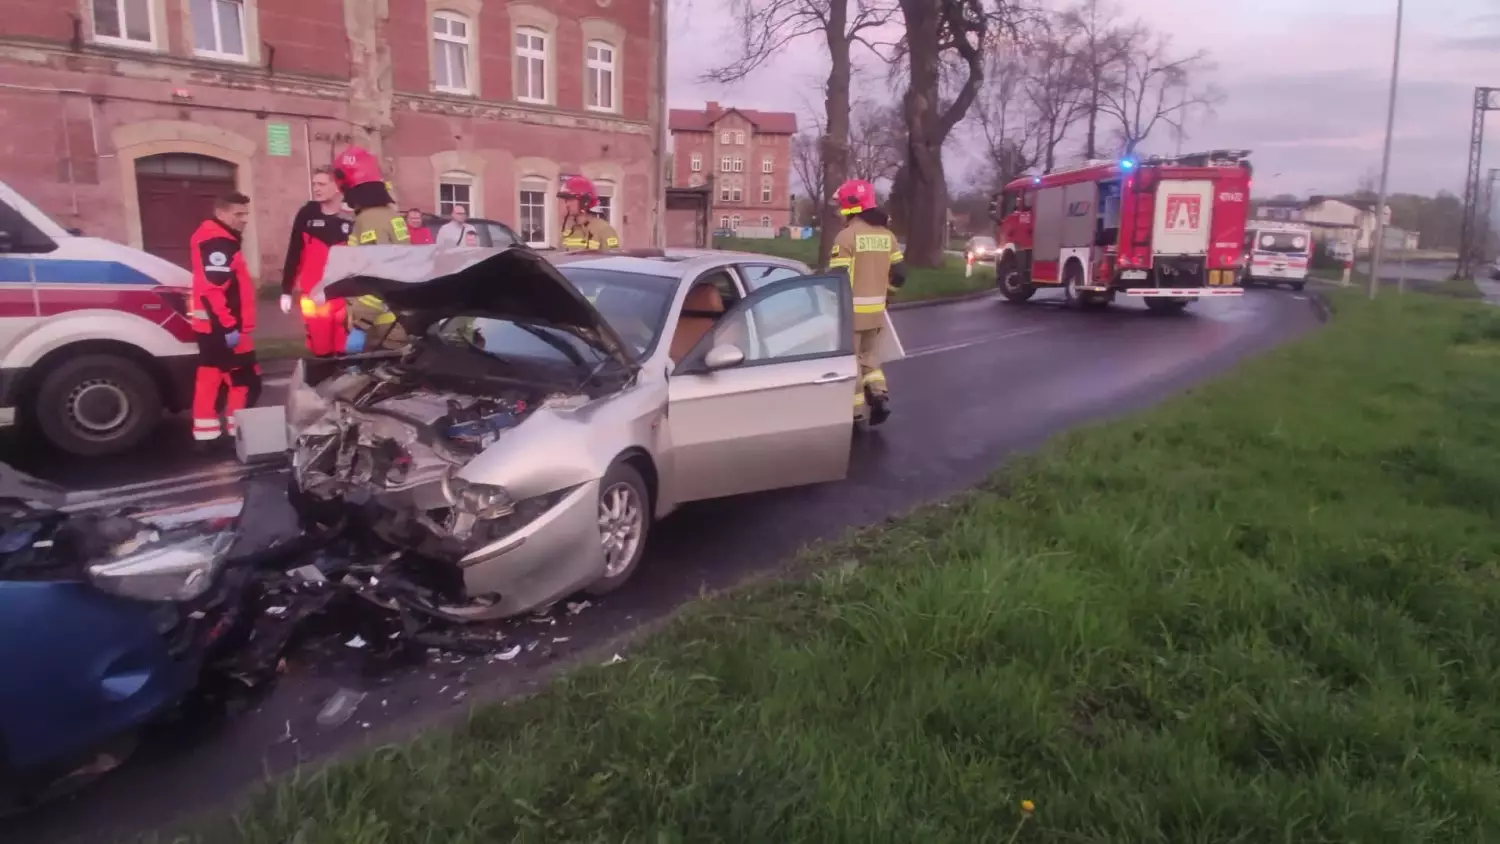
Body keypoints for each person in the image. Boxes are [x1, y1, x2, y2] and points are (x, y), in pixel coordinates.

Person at [825, 178, 906, 426]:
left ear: (852, 206)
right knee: (870, 357)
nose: (839, 211)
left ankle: (856, 412)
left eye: (841, 206)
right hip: (877, 313)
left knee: (852, 362)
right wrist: (885, 292)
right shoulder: (888, 236)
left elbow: (837, 279)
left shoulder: (846, 237)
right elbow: (900, 274)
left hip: (851, 313)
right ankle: (879, 396)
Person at [188, 192, 262, 446]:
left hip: (212, 325)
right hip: (224, 326)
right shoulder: (218, 241)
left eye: (246, 214)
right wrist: (229, 326)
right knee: (244, 379)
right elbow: (213, 288)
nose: (244, 220)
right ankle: (236, 430)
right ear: (221, 213)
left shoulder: (214, 237)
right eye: (238, 214)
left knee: (211, 377)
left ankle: (206, 435)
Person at [330, 145, 410, 353]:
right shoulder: (389, 215)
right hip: (395, 321)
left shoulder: (369, 220)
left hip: (382, 328)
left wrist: (360, 326)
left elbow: (379, 276)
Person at [279, 167, 352, 357]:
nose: (316, 188)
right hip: (314, 294)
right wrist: (286, 290)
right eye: (314, 184)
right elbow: (295, 251)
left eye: (322, 184)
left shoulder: (351, 215)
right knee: (320, 351)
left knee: (346, 352)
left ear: (337, 187)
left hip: (344, 295)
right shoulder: (307, 213)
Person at [557, 176, 621, 251]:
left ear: (585, 201)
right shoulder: (569, 231)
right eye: (566, 200)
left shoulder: (604, 230)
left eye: (571, 200)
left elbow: (613, 260)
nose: (567, 204)